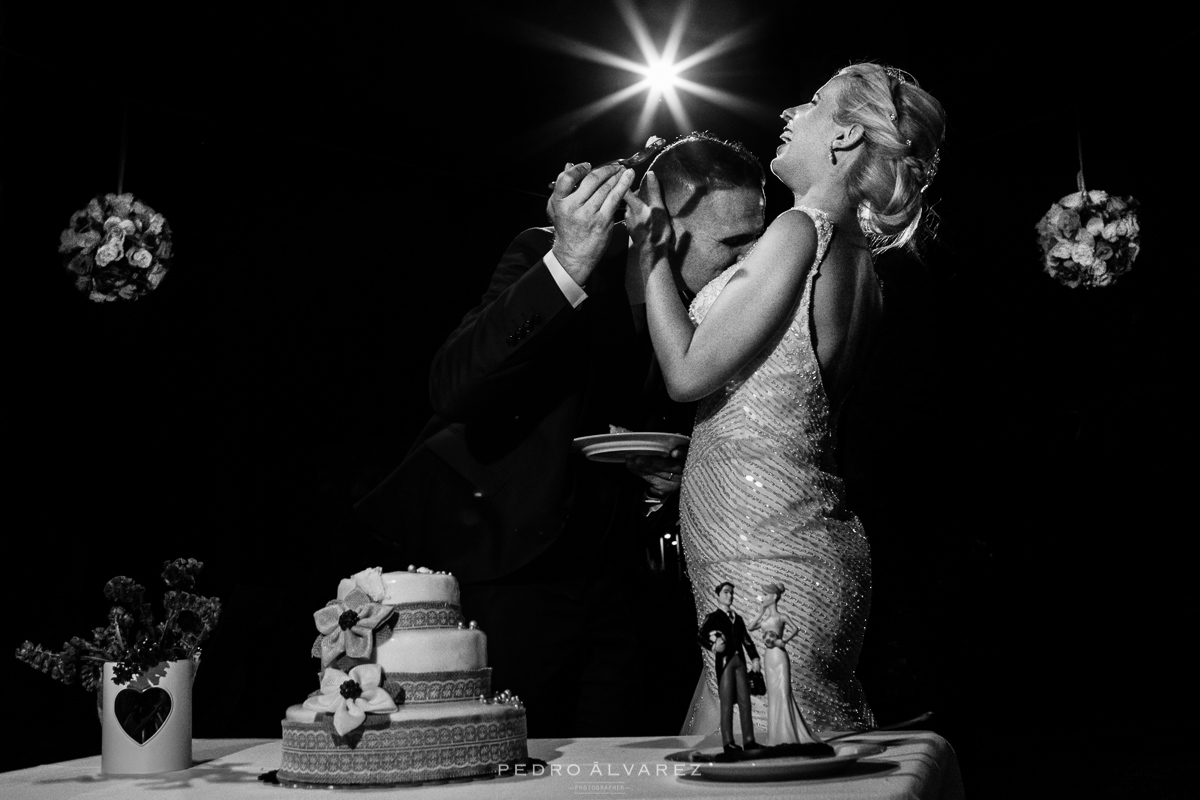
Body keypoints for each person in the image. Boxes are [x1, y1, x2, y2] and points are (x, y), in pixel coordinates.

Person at [355, 132, 766, 736]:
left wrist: (662, 470)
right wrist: (567, 265)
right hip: (506, 565)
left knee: (615, 757)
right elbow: (452, 386)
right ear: (663, 226)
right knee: (512, 757)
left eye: (756, 242)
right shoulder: (547, 254)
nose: (747, 263)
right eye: (732, 244)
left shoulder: (703, 310)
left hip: (611, 576)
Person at [626, 62, 947, 735]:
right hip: (786, 537)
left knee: (767, 754)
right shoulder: (858, 261)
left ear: (846, 138)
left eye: (814, 101)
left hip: (764, 552)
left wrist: (652, 252)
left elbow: (687, 376)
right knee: (776, 744)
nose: (789, 114)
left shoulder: (801, 232)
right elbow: (776, 406)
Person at [748, 583, 823, 746]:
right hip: (769, 657)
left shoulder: (780, 617)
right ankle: (776, 737)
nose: (764, 598)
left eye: (766, 595)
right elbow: (750, 626)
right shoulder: (766, 619)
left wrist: (784, 641)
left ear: (774, 597)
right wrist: (760, 612)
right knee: (774, 695)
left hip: (779, 655)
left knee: (783, 692)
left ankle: (790, 733)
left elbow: (795, 628)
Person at [697, 582, 762, 754]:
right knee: (726, 702)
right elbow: (700, 635)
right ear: (718, 595)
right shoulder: (714, 618)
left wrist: (754, 657)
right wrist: (712, 646)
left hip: (739, 661)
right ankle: (728, 742)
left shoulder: (737, 618)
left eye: (731, 593)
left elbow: (746, 640)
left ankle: (749, 740)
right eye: (726, 592)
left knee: (744, 701)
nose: (730, 596)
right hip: (725, 663)